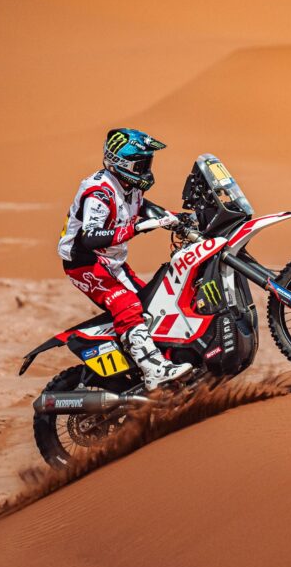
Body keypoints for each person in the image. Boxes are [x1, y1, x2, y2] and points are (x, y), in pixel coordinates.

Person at [58, 127, 193, 390]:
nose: (146, 168)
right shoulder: (98, 192)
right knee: (128, 306)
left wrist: (175, 218)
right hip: (85, 263)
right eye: (141, 163)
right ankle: (154, 371)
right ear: (121, 162)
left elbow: (142, 206)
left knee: (153, 306)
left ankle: (144, 364)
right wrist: (138, 227)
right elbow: (91, 237)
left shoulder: (128, 185)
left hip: (112, 262)